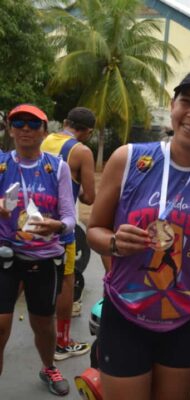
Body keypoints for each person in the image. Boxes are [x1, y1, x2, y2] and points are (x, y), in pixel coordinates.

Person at [86, 68, 190, 400]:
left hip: (186, 319)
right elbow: (94, 229)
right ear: (172, 104)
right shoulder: (129, 158)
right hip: (125, 313)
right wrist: (113, 242)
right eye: (187, 102)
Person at [0, 104, 76, 396]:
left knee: (43, 324)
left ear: (45, 131)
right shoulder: (3, 164)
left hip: (42, 258)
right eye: (18, 123)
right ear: (10, 129)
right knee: (1, 324)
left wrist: (56, 226)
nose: (25, 129)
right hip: (5, 255)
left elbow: (70, 218)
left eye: (33, 124)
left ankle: (48, 367)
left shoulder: (57, 167)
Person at [41, 106, 96, 360]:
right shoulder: (82, 151)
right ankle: (62, 343)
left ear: (65, 122)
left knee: (20, 272)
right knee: (67, 279)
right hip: (62, 227)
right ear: (88, 132)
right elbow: (89, 196)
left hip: (33, 221)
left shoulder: (46, 139)